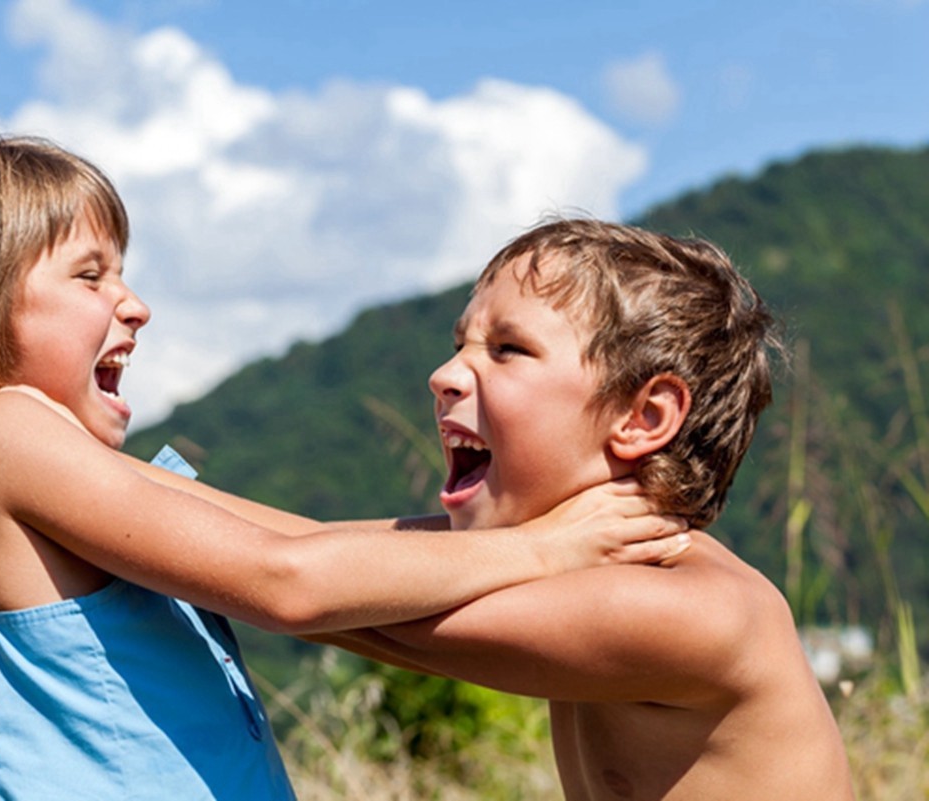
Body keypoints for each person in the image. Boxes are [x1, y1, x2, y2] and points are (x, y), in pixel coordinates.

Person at [0, 134, 690, 800]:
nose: (134, 304)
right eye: (91, 276)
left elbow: (302, 542)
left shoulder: (7, 463)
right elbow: (286, 580)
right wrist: (547, 548)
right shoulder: (4, 435)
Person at [318, 219, 855, 799]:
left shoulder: (687, 611)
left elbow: (298, 584)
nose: (442, 376)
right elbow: (313, 558)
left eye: (508, 350)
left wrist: (538, 547)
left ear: (642, 418)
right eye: (459, 347)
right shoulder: (572, 558)